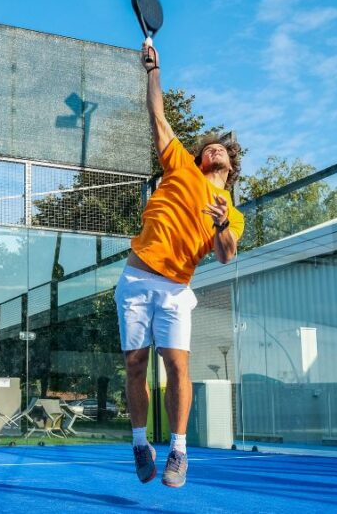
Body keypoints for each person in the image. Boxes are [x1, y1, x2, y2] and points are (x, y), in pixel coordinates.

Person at [116, 39, 244, 488]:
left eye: (221, 151)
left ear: (231, 167)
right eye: (208, 147)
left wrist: (222, 224)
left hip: (175, 290)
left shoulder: (232, 210)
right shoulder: (180, 169)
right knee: (134, 364)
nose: (213, 150)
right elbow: (158, 118)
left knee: (176, 366)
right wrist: (154, 69)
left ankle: (178, 452)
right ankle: (138, 443)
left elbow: (227, 254)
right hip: (134, 278)